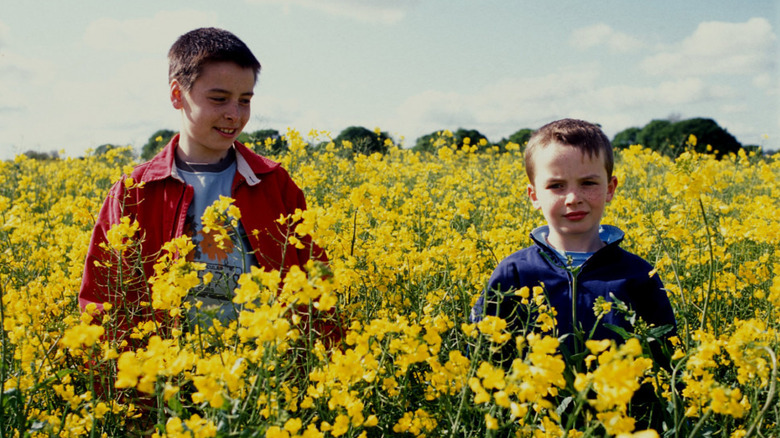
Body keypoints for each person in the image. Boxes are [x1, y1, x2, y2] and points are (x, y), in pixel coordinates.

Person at [79, 27, 337, 344]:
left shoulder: (274, 183)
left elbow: (314, 278)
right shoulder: (135, 191)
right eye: (219, 99)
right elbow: (102, 296)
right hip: (165, 374)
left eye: (245, 101)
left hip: (265, 371)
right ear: (177, 95)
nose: (234, 114)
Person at [470, 118, 676, 428]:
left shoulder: (638, 275)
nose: (573, 198)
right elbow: (487, 353)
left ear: (610, 189)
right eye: (556, 186)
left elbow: (665, 359)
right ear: (534, 195)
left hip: (621, 425)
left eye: (588, 183)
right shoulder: (514, 271)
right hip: (535, 425)